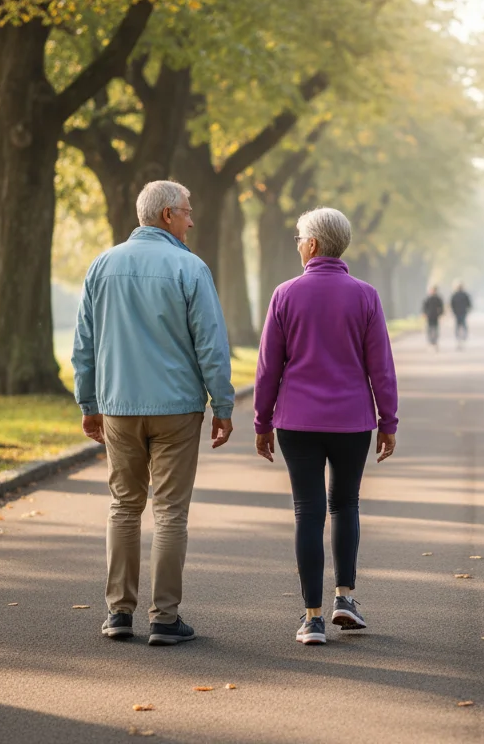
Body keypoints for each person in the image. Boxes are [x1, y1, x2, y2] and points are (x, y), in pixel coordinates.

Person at [72, 180, 235, 647]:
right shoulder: (190, 267)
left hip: (119, 406)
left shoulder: (102, 266)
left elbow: (85, 344)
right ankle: (165, 618)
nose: (191, 219)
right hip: (177, 409)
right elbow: (211, 344)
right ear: (167, 215)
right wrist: (221, 405)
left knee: (124, 505)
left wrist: (89, 403)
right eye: (187, 211)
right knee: (169, 512)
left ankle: (118, 613)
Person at [253, 207, 399, 646]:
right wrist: (387, 420)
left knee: (308, 510)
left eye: (300, 238)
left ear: (313, 245)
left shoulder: (285, 294)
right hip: (353, 421)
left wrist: (261, 421)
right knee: (345, 505)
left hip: (296, 421)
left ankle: (312, 618)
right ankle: (345, 598)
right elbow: (382, 368)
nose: (298, 244)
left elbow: (267, 368)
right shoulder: (366, 296)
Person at [450, 282, 472, 349]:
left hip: (458, 313)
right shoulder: (464, 295)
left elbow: (452, 304)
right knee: (463, 325)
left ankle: (459, 338)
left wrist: (453, 311)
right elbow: (469, 304)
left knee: (458, 326)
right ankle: (463, 338)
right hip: (462, 312)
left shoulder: (455, 295)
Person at [422, 286, 445, 350]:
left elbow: (441, 307)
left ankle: (435, 341)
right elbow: (424, 307)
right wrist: (424, 314)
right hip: (429, 317)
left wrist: (440, 314)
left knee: (435, 330)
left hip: (435, 317)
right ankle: (430, 341)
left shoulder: (438, 299)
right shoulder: (427, 299)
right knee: (429, 329)